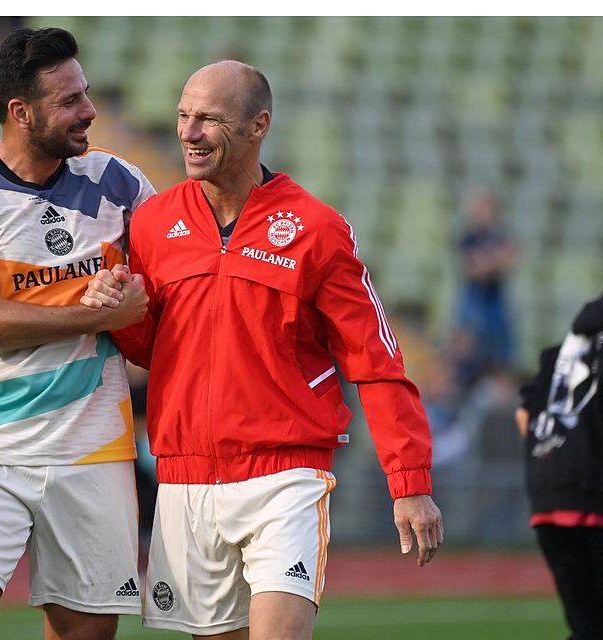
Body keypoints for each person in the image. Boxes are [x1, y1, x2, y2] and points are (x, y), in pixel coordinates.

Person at [81, 60, 443, 639]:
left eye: (209, 120)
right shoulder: (152, 223)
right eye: (183, 115)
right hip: (185, 477)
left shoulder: (317, 228)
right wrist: (118, 312)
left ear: (258, 126)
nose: (189, 132)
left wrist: (412, 483)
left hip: (286, 473)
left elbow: (376, 361)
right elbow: (154, 350)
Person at [0, 26, 154, 640]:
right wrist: (98, 314)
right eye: (69, 100)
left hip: (94, 446)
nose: (89, 110)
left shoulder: (122, 184)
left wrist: (130, 292)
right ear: (20, 112)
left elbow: (162, 290)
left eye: (86, 92)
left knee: (85, 633)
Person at [516, 295, 603, 640]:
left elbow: (524, 416)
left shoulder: (562, 351)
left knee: (586, 626)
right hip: (592, 491)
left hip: (548, 496)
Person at [452, 188, 518, 387]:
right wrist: (496, 260)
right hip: (475, 298)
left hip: (493, 299)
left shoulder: (499, 235)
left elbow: (512, 258)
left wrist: (487, 262)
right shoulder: (469, 237)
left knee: (500, 349)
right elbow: (472, 268)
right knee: (467, 348)